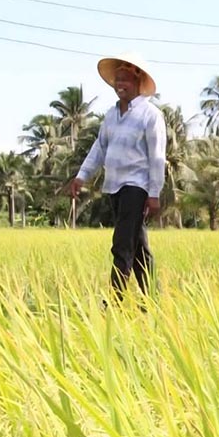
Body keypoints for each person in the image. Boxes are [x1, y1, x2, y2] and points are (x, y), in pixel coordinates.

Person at [70, 53, 166, 301]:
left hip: (137, 186)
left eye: (126, 80)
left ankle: (115, 301)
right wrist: (82, 176)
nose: (121, 84)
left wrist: (154, 193)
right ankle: (153, 299)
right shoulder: (111, 115)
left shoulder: (150, 115)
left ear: (138, 83)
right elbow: (100, 147)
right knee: (138, 248)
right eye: (118, 80)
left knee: (122, 243)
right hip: (114, 186)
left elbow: (157, 157)